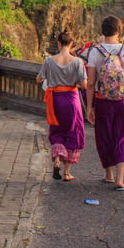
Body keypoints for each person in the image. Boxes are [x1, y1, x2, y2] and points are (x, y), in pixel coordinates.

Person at [85, 16, 124, 191]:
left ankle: (108, 174)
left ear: (103, 31)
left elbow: (90, 83)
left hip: (103, 101)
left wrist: (89, 106)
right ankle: (120, 178)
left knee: (104, 135)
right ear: (119, 31)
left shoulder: (95, 52)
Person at [38, 30, 88, 182]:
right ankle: (66, 173)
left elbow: (39, 79)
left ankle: (57, 160)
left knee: (57, 129)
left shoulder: (49, 60)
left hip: (55, 100)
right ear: (72, 44)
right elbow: (84, 85)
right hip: (72, 100)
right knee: (72, 130)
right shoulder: (77, 62)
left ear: (58, 43)